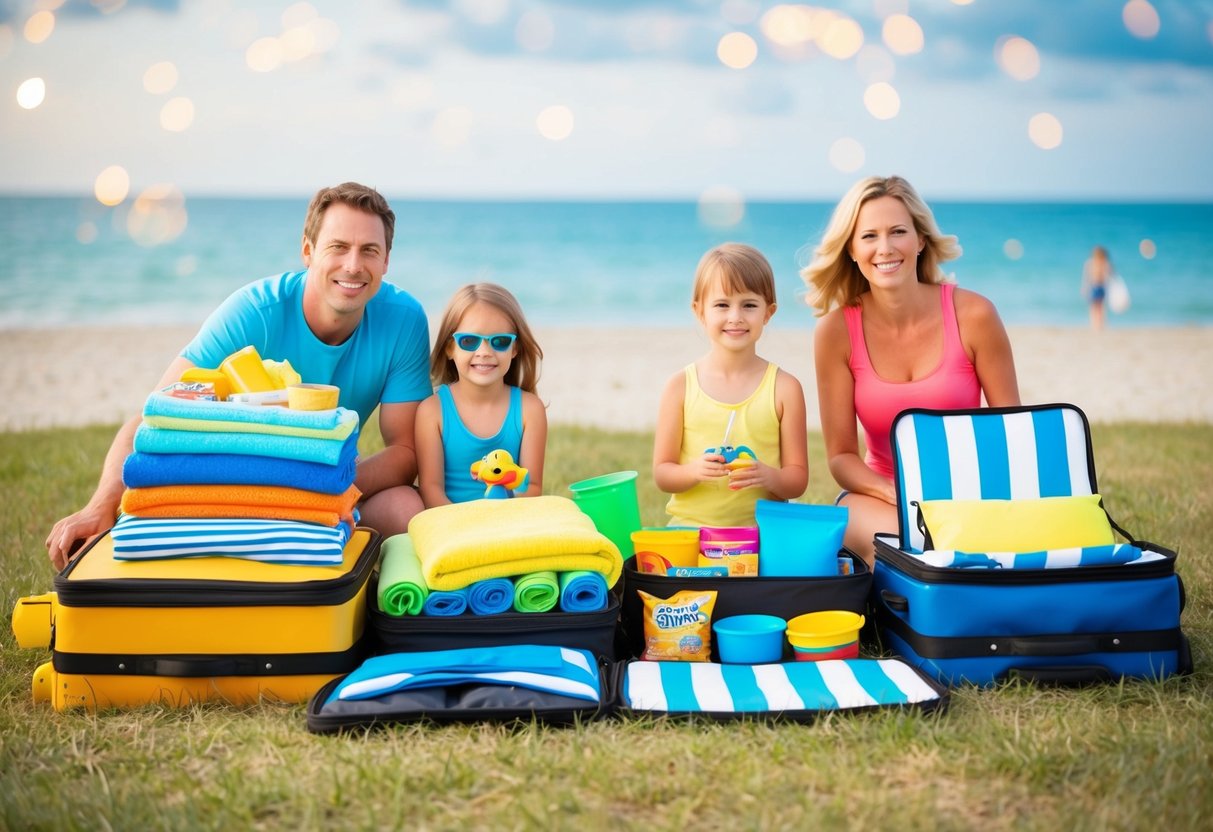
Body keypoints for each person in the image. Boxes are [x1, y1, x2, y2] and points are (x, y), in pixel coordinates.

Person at [45, 182, 432, 570]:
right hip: (237, 489)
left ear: (386, 261)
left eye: (369, 250)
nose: (353, 265)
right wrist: (100, 505)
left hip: (330, 483)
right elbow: (154, 419)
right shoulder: (254, 313)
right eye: (338, 247)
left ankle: (377, 614)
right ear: (308, 251)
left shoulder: (403, 319)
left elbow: (406, 451)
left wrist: (327, 487)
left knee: (406, 507)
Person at [802, 175, 1020, 569]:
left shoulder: (975, 315)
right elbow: (841, 457)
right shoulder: (835, 332)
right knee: (903, 544)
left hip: (969, 495)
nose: (884, 248)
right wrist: (893, 492)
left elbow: (1012, 429)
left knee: (955, 544)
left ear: (920, 240)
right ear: (851, 249)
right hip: (880, 498)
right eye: (868, 236)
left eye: (898, 231)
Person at [653, 243, 809, 528]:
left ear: (768, 312)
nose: (735, 316)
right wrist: (694, 471)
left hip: (762, 536)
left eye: (749, 305)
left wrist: (768, 476)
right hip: (691, 531)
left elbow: (797, 480)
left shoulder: (785, 389)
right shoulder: (680, 387)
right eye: (722, 305)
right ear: (699, 311)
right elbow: (663, 474)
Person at [415, 282, 547, 507]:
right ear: (449, 348)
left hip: (511, 522)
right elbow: (431, 489)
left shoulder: (530, 409)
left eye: (500, 341)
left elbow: (531, 487)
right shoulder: (432, 411)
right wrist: (468, 529)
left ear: (514, 349)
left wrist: (497, 523)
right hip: (452, 527)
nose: (484, 352)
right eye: (469, 341)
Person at [1081, 245, 1112, 332]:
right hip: (1094, 287)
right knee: (1095, 306)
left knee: (1100, 306)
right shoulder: (1091, 263)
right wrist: (1085, 288)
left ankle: (1100, 324)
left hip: (1101, 287)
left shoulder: (1104, 264)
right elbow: (1086, 277)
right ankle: (1095, 324)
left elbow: (1109, 277)